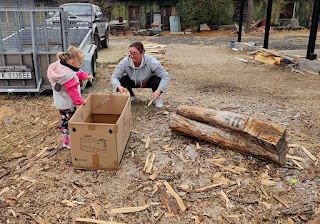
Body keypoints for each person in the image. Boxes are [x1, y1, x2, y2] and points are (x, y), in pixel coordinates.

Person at [47, 46, 94, 149]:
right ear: (72, 63)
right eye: (80, 63)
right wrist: (81, 101)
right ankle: (71, 142)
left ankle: (66, 141)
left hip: (60, 103)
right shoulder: (68, 76)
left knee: (64, 122)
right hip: (69, 104)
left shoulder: (59, 66)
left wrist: (85, 75)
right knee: (71, 122)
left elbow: (76, 72)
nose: (81, 65)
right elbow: (73, 93)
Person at [110, 41, 169, 107]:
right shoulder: (125, 61)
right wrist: (118, 86)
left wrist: (159, 90)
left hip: (148, 80)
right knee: (123, 79)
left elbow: (165, 76)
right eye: (130, 53)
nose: (132, 56)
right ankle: (131, 95)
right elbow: (114, 76)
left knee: (157, 80)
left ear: (143, 52)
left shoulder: (151, 61)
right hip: (133, 81)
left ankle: (157, 97)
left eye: (135, 54)